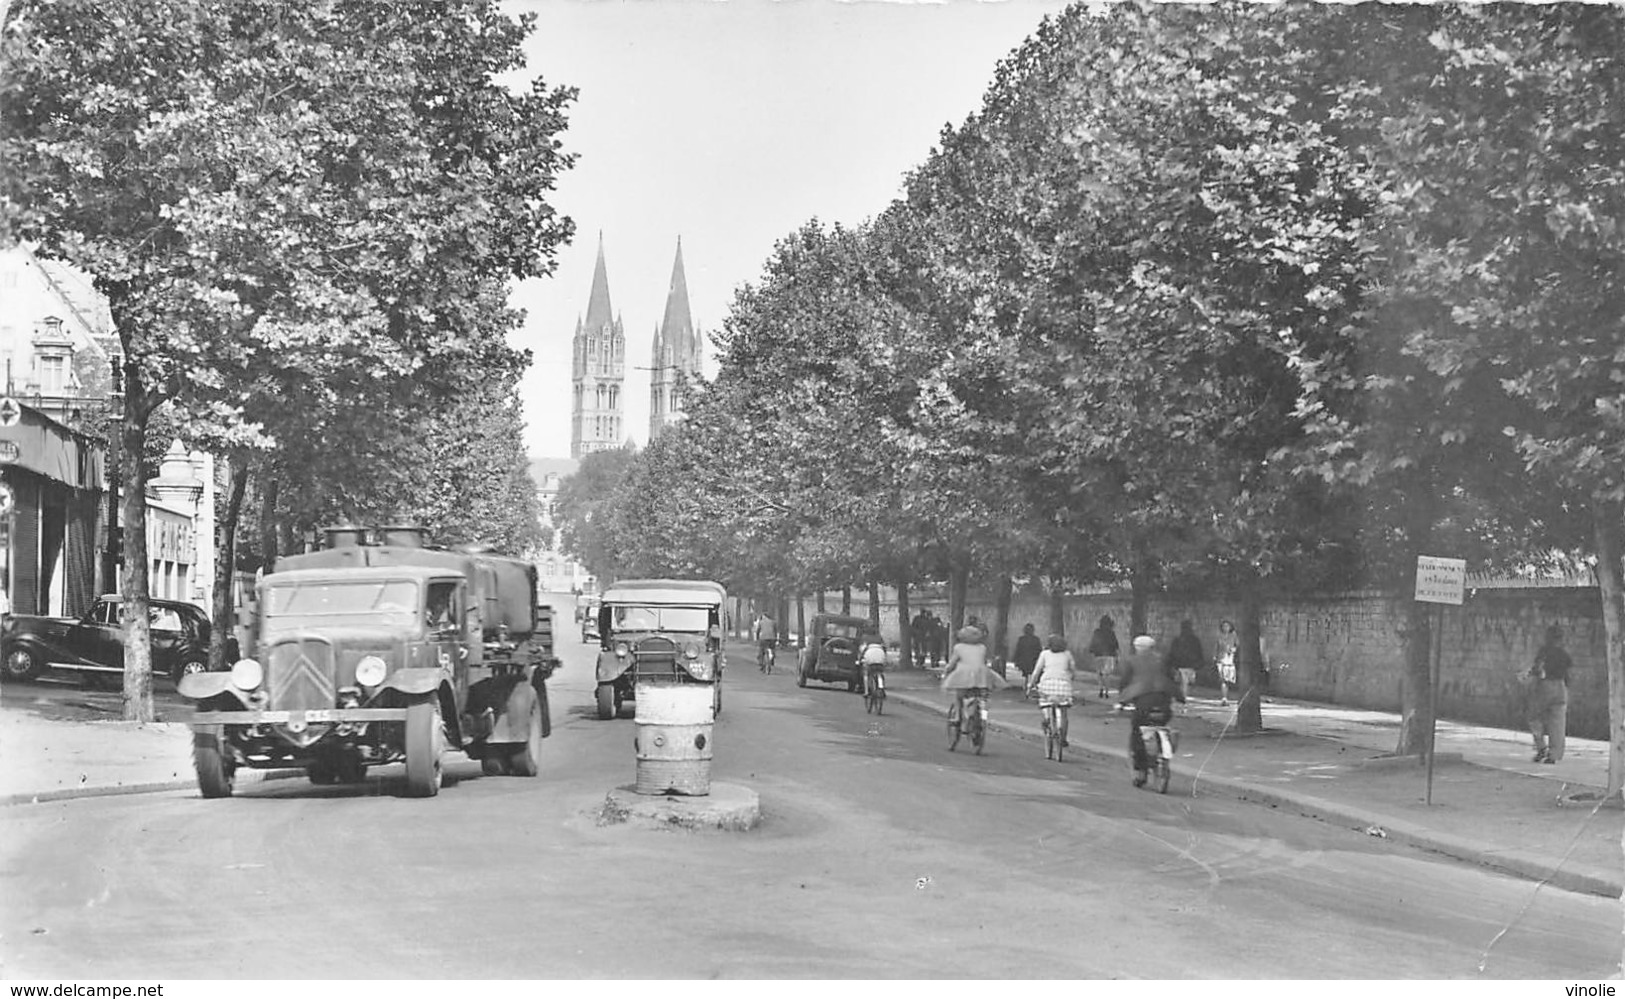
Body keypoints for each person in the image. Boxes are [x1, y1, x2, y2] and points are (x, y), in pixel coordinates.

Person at [1120, 634, 1185, 787]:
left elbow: (1125, 682)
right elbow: (1172, 679)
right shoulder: (1162, 660)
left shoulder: (1132, 661)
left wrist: (1122, 701)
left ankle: (1140, 772)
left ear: (1137, 648)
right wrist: (1180, 698)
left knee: (1137, 732)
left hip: (1143, 706)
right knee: (1162, 724)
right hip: (1164, 705)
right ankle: (1163, 753)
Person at [1526, 625, 1573, 763]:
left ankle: (1541, 747)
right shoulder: (1564, 654)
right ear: (1561, 638)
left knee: (1534, 717)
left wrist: (1529, 675)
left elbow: (1538, 669)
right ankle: (1554, 755)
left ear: (1548, 637)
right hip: (1561, 687)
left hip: (1545, 685)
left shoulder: (1544, 651)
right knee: (1558, 723)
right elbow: (1568, 675)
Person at [941, 625, 1000, 729]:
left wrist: (946, 672)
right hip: (982, 674)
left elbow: (952, 664)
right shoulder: (982, 647)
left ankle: (958, 717)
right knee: (983, 696)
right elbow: (984, 661)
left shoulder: (959, 647)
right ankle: (983, 715)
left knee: (959, 695)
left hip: (964, 674)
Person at [1026, 633, 1076, 748]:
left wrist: (1030, 686)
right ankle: (1063, 737)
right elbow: (1073, 670)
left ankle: (1047, 719)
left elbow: (1036, 671)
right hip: (1063, 686)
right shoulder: (1067, 654)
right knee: (1063, 712)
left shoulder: (1044, 654)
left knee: (1045, 703)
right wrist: (1071, 677)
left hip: (1047, 685)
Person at [1165, 619, 1204, 713]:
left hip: (1182, 664)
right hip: (1187, 665)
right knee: (1184, 683)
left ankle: (1182, 699)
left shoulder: (1180, 639)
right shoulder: (1193, 640)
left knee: (1184, 683)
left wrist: (1171, 663)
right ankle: (1183, 700)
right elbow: (1199, 653)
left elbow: (1172, 652)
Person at [1087, 614, 1120, 699]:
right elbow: (1116, 645)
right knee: (1107, 675)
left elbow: (1093, 643)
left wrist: (1091, 651)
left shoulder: (1097, 632)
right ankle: (1107, 692)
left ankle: (1101, 688)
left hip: (1098, 656)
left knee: (1099, 674)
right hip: (1109, 655)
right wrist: (1117, 656)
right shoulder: (1112, 633)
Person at [1214, 619, 1239, 706]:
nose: (1226, 628)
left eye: (1227, 626)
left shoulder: (1233, 635)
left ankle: (1226, 696)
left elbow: (1237, 646)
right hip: (1221, 660)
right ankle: (1224, 698)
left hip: (1230, 660)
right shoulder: (1219, 636)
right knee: (1223, 680)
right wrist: (1214, 656)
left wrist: (1233, 650)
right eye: (1224, 626)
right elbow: (1216, 647)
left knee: (1228, 680)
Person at [859, 629, 888, 698]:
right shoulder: (879, 638)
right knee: (880, 672)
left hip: (869, 654)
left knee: (866, 673)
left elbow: (862, 650)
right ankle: (881, 688)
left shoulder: (864, 637)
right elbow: (884, 647)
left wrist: (860, 659)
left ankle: (866, 692)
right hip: (880, 654)